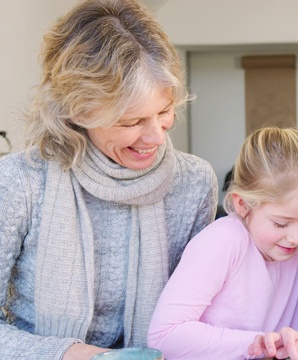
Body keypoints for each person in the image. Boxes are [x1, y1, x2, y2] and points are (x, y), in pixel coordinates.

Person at [0, 0, 218, 359]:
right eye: (130, 122)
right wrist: (82, 356)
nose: (156, 137)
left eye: (164, 112)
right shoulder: (19, 183)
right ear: (78, 109)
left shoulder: (193, 183)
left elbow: (196, 314)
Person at [147, 127, 298, 360]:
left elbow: (294, 332)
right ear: (242, 205)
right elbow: (164, 336)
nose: (296, 237)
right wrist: (255, 344)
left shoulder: (296, 250)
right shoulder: (223, 240)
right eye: (280, 224)